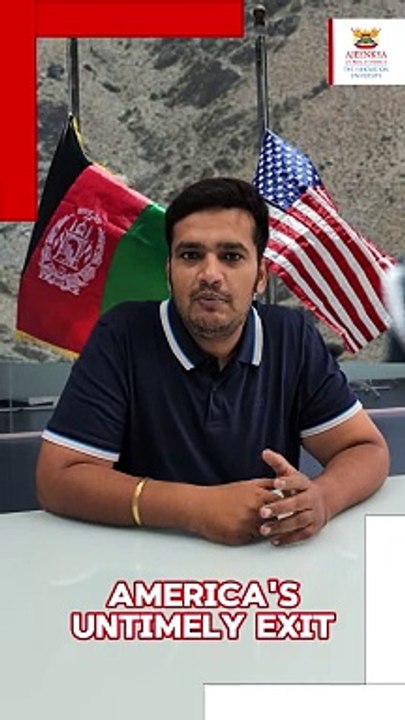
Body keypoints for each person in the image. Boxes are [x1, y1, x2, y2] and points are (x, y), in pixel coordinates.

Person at [36, 177, 389, 546]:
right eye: (190, 255)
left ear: (260, 277)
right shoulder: (122, 335)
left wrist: (322, 499)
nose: (210, 275)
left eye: (231, 256)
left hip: (267, 561)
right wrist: (195, 508)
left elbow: (366, 449)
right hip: (144, 562)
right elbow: (56, 479)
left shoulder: (292, 337)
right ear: (168, 271)